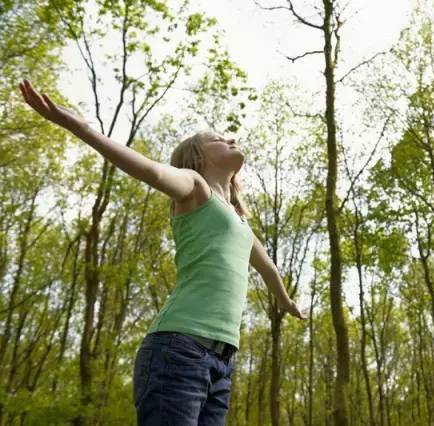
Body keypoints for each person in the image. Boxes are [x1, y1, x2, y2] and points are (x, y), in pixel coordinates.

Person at [18, 79, 308, 425]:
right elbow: (150, 170)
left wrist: (286, 300)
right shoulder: (195, 187)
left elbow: (268, 269)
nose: (231, 139)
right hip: (178, 351)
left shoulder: (240, 223)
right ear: (199, 156)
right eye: (219, 139)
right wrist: (77, 126)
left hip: (221, 364)